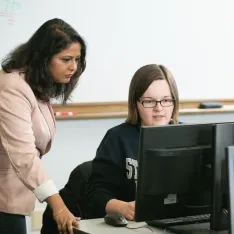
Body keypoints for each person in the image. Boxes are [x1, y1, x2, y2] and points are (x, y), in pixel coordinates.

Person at [0, 18, 86, 234]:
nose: (73, 67)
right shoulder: (12, 87)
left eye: (77, 59)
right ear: (43, 58)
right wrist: (58, 206)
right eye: (66, 59)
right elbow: (24, 155)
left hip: (12, 197)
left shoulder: (34, 85)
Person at [86, 64, 180, 220]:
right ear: (136, 103)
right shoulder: (117, 138)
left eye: (166, 100)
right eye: (149, 101)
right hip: (133, 226)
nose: (159, 108)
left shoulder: (190, 136)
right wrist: (122, 207)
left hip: (179, 221)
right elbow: (95, 194)